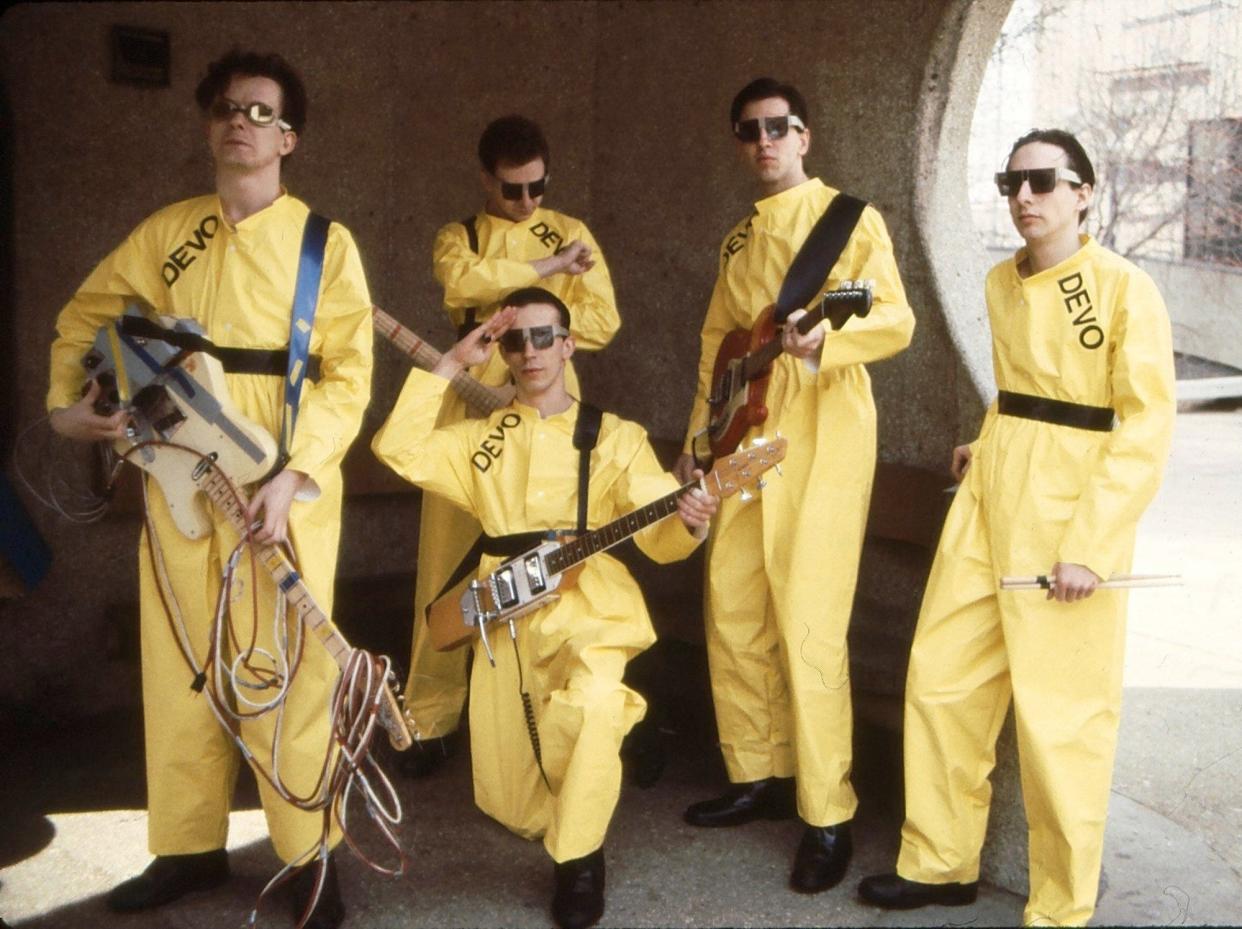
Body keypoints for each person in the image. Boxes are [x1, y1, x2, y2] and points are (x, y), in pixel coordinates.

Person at [46, 50, 373, 929]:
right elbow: (86, 316)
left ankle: (309, 858)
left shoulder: (323, 244)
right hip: (180, 465)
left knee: (288, 667)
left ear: (289, 136)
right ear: (207, 124)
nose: (242, 121)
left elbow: (348, 372)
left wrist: (300, 471)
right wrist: (69, 410)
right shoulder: (168, 232)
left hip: (281, 479)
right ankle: (187, 847)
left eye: (262, 112)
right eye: (228, 107)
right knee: (184, 656)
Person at [857, 129, 1175, 926]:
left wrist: (1091, 549)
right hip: (991, 496)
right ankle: (939, 861)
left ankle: (1063, 904)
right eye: (1011, 183)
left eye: (1042, 181)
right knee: (941, 678)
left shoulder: (1124, 288)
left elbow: (1142, 426)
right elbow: (1023, 392)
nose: (1024, 197)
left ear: (1084, 191)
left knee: (1062, 714)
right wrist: (989, 439)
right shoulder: (1001, 281)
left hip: (1069, 511)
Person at [373, 287, 716, 929]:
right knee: (514, 792)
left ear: (568, 344)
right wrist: (452, 363)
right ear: (500, 353)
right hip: (501, 609)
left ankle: (581, 863)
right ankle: (613, 754)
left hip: (588, 603)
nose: (529, 352)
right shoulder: (480, 437)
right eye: (513, 340)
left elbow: (661, 535)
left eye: (542, 337)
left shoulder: (612, 436)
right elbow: (400, 449)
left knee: (590, 706)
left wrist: (692, 521)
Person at [675, 77, 915, 893]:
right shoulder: (737, 238)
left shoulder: (851, 219)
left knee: (808, 619)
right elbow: (720, 342)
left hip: (820, 436)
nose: (765, 141)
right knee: (734, 604)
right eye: (750, 130)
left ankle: (827, 811)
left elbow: (894, 318)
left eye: (779, 126)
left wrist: (819, 343)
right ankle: (758, 771)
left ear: (804, 135)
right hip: (745, 438)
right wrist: (697, 442)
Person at [400, 115, 621, 777]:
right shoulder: (458, 235)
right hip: (472, 391)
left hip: (546, 392)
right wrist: (552, 269)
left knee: (549, 546)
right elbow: (461, 285)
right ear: (486, 179)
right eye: (513, 190)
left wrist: (543, 330)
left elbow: (604, 320)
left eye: (538, 188)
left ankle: (545, 702)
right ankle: (431, 717)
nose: (528, 202)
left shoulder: (573, 229)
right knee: (447, 558)